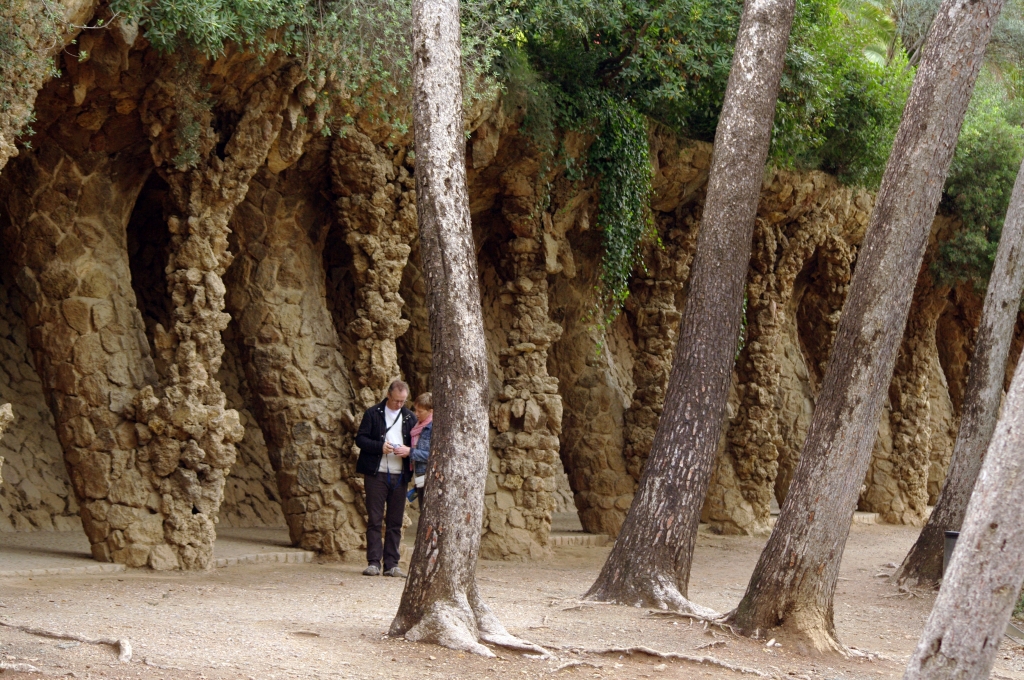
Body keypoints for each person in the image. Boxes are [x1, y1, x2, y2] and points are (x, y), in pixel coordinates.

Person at [354, 380, 415, 577]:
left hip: (400, 475)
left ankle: (391, 564)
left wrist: (407, 451)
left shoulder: (409, 417)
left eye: (403, 401)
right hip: (376, 473)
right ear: (388, 395)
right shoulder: (373, 413)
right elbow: (360, 439)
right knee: (375, 518)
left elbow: (417, 445)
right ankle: (373, 562)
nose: (399, 404)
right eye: (396, 400)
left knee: (395, 521)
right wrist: (379, 447)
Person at [406, 392, 433, 509]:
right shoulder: (418, 426)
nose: (416, 414)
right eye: (415, 410)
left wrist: (410, 452)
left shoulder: (433, 428)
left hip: (428, 477)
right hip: (419, 477)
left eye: (420, 411)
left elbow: (433, 456)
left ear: (431, 411)